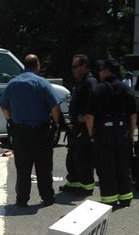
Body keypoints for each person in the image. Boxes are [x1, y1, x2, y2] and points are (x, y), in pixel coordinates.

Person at [0, 54, 61, 207]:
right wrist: (56, 123)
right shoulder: (42, 83)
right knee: (43, 167)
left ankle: (22, 199)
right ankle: (47, 197)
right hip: (41, 132)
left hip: (20, 132)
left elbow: (4, 107)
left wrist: (11, 120)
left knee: (23, 168)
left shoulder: (12, 84)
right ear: (37, 65)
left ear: (24, 66)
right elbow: (55, 107)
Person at [85, 58, 137, 209]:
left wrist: (91, 133)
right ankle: (126, 197)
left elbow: (89, 117)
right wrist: (131, 134)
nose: (99, 72)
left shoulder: (98, 90)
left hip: (104, 132)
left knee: (106, 166)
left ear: (107, 71)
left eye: (101, 69)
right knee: (123, 164)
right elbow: (133, 115)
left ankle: (109, 199)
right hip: (122, 130)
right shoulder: (126, 89)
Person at [60, 54, 98, 195]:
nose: (72, 70)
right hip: (76, 127)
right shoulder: (81, 82)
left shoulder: (90, 82)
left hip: (84, 127)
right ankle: (73, 183)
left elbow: (95, 105)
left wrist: (86, 120)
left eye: (74, 67)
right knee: (73, 157)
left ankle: (87, 187)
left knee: (84, 158)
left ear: (83, 66)